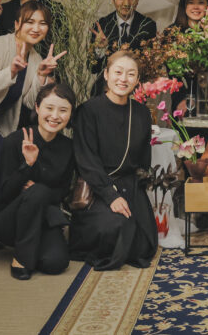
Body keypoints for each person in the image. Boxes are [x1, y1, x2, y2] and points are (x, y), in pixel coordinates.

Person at [0, 0, 64, 249]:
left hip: (2, 126)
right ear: (17, 23)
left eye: (42, 23)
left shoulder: (36, 58)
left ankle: (3, 222)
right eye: (30, 21)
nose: (36, 28)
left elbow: (30, 103)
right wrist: (10, 71)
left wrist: (41, 75)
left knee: (14, 162)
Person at [70, 51, 158, 270]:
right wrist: (111, 195)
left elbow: (143, 160)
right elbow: (86, 160)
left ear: (137, 80)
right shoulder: (88, 111)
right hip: (98, 186)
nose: (123, 79)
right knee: (118, 227)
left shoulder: (142, 113)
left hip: (130, 184)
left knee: (145, 244)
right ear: (106, 74)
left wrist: (136, 191)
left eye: (131, 74)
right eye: (118, 72)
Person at [0, 83, 76, 280]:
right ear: (37, 107)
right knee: (38, 192)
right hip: (7, 219)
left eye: (63, 110)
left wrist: (39, 192)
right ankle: (21, 258)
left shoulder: (68, 148)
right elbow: (3, 194)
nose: (55, 116)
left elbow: (62, 192)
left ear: (70, 114)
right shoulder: (14, 141)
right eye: (49, 108)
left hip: (43, 217)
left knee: (56, 263)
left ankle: (33, 246)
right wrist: (27, 165)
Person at [90, 0, 158, 96]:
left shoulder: (148, 25)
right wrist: (100, 50)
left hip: (136, 91)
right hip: (105, 91)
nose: (126, 3)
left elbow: (150, 67)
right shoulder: (102, 25)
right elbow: (92, 68)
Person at [162, 0, 208, 111]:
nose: (196, 7)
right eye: (191, 2)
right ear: (184, 6)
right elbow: (172, 72)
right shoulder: (172, 33)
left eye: (201, 2)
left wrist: (207, 33)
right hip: (183, 98)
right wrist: (181, 98)